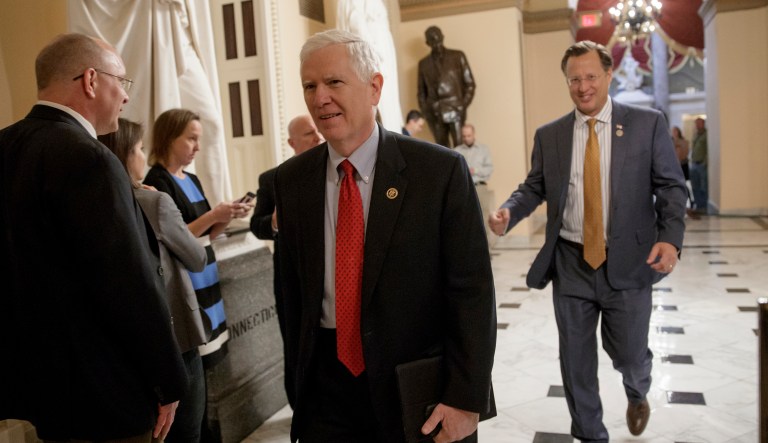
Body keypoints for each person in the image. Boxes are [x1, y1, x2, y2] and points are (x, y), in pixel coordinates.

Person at [275, 29, 496, 442]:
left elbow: (472, 293)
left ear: (374, 87)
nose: (320, 97)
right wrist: (298, 386)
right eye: (310, 85)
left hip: (417, 390)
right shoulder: (291, 181)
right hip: (326, 392)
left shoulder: (439, 172)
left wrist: (466, 399)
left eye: (334, 82)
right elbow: (289, 294)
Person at [488, 41, 687, 442]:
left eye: (590, 76)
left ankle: (637, 389)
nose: (583, 87)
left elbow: (670, 185)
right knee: (575, 363)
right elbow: (534, 186)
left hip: (630, 261)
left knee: (629, 355)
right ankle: (591, 435)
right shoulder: (551, 135)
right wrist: (511, 211)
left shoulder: (646, 124)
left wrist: (670, 239)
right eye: (574, 79)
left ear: (608, 74)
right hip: (571, 262)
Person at [0, 33, 188, 442]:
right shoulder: (88, 157)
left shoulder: (6, 145)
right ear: (90, 80)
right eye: (121, 81)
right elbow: (128, 281)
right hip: (104, 388)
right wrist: (168, 380)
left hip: (34, 382)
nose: (124, 96)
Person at [99, 118, 209, 443]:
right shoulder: (154, 200)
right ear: (123, 154)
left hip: (121, 341)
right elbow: (197, 258)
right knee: (187, 430)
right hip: (173, 332)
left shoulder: (93, 201)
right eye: (139, 148)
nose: (143, 157)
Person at [144, 108, 252, 370]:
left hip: (207, 271)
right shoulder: (157, 180)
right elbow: (175, 237)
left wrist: (227, 215)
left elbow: (207, 234)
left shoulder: (191, 178)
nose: (198, 147)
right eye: (192, 138)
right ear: (170, 138)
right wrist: (215, 213)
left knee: (214, 357)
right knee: (197, 360)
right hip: (186, 275)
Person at [249, 114, 323, 407]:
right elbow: (257, 225)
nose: (316, 137)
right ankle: (301, 410)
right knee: (295, 344)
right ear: (292, 143)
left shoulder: (337, 171)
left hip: (332, 273)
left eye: (317, 131)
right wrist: (276, 221)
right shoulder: (273, 179)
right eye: (308, 134)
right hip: (292, 279)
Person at [417, 26, 476, 148]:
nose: (437, 45)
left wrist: (462, 105)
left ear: (442, 38)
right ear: (428, 43)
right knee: (442, 151)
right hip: (435, 112)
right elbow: (421, 92)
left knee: (460, 149)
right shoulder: (424, 64)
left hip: (456, 109)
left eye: (439, 41)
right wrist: (426, 111)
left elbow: (470, 84)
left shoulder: (458, 56)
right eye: (433, 42)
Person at [690, 117, 708, 214]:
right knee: (694, 186)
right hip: (694, 164)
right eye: (696, 123)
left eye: (699, 123)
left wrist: (705, 162)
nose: (697, 125)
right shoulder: (696, 135)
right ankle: (698, 206)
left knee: (703, 186)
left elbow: (708, 150)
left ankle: (704, 207)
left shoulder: (706, 135)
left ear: (703, 124)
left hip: (701, 164)